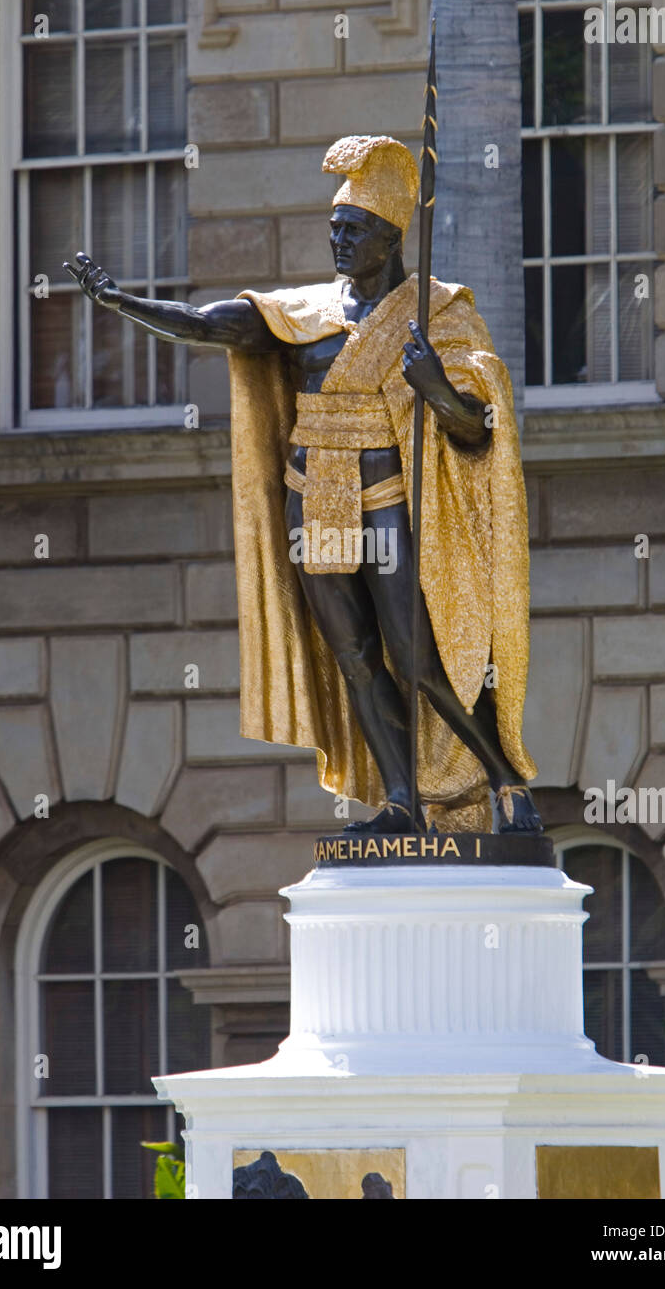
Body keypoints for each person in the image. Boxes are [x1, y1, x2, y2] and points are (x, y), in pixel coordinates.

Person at [66, 134, 540, 834]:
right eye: (333, 230)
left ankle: (503, 783)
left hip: (385, 498)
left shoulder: (439, 314)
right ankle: (402, 800)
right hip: (311, 496)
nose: (339, 242)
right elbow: (204, 325)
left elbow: (478, 431)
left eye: (353, 231)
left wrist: (437, 388)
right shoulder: (302, 315)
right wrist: (121, 303)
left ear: (390, 235)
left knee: (416, 657)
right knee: (352, 656)